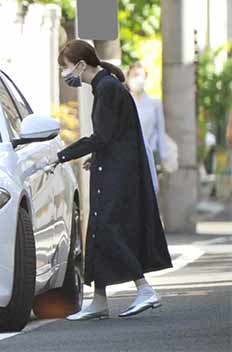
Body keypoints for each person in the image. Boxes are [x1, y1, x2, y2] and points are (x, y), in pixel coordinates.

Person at [50, 40, 172, 320]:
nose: (65, 74)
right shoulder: (105, 87)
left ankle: (144, 288)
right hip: (114, 167)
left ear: (81, 65)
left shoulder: (107, 88)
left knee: (107, 228)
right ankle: (99, 300)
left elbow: (102, 136)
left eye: (65, 68)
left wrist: (61, 155)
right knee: (97, 231)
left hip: (119, 172)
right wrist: (99, 156)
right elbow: (114, 135)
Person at [127, 63, 169, 173]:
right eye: (134, 75)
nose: (137, 79)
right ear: (128, 78)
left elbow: (160, 131)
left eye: (140, 75)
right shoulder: (123, 103)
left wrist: (163, 157)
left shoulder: (155, 104)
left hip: (151, 155)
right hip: (129, 156)